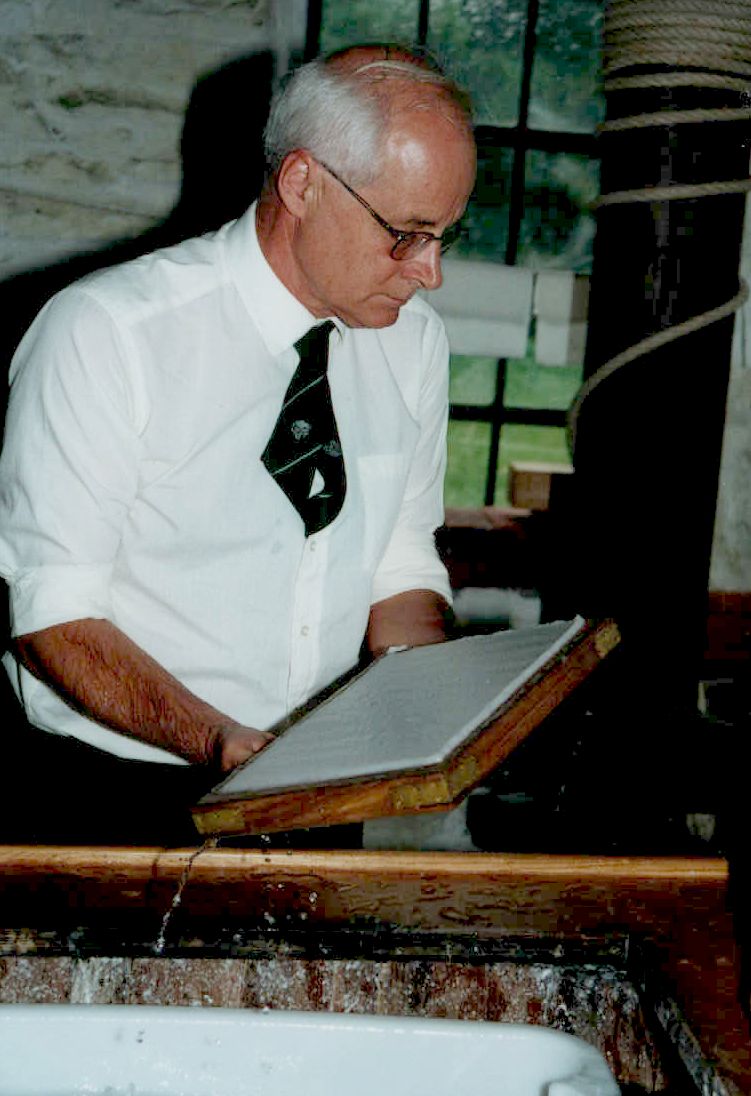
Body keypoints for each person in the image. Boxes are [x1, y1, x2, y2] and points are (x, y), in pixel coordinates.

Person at [0, 44, 477, 845]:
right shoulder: (107, 333)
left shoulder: (412, 343)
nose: (428, 272)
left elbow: (399, 570)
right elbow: (55, 613)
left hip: (311, 789)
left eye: (444, 237)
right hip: (106, 790)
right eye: (405, 234)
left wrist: (441, 711)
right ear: (302, 183)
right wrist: (220, 740)